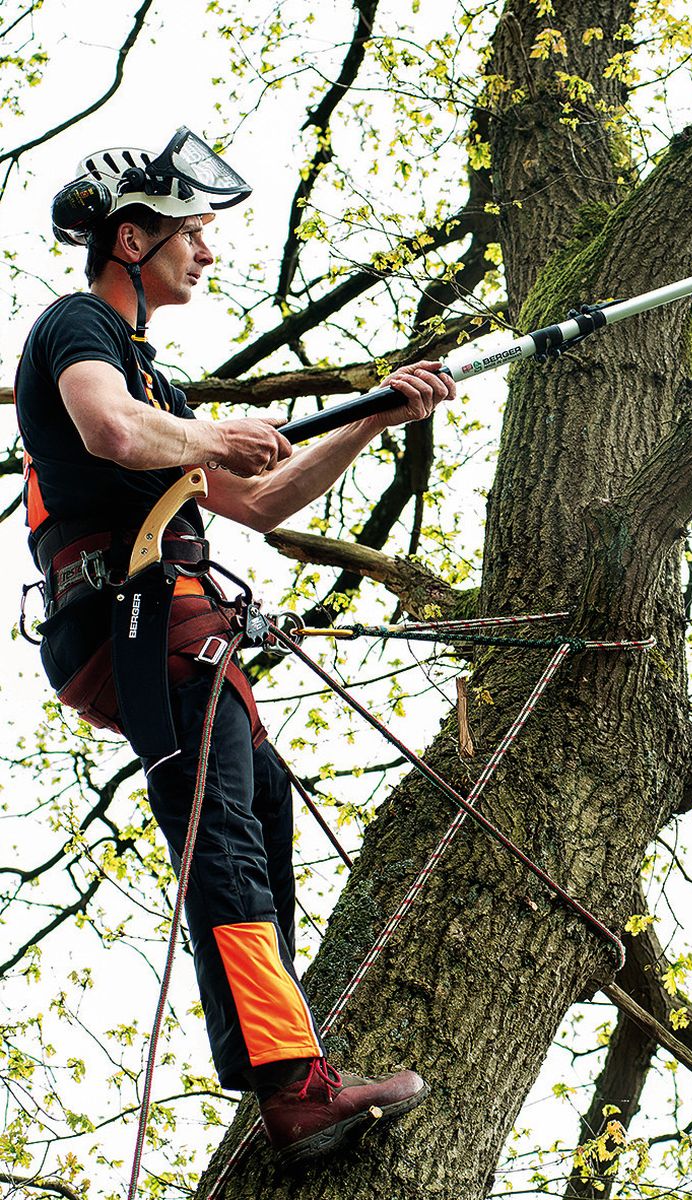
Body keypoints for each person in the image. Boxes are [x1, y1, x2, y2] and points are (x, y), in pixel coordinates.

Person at [14, 128, 455, 1164]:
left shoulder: (159, 390)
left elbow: (257, 498)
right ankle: (293, 1088)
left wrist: (372, 420)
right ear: (131, 239)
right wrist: (212, 436)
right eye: (191, 233)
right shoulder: (79, 330)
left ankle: (292, 1067)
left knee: (255, 817)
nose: (206, 252)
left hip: (178, 627)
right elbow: (109, 433)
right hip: (137, 622)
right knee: (225, 834)